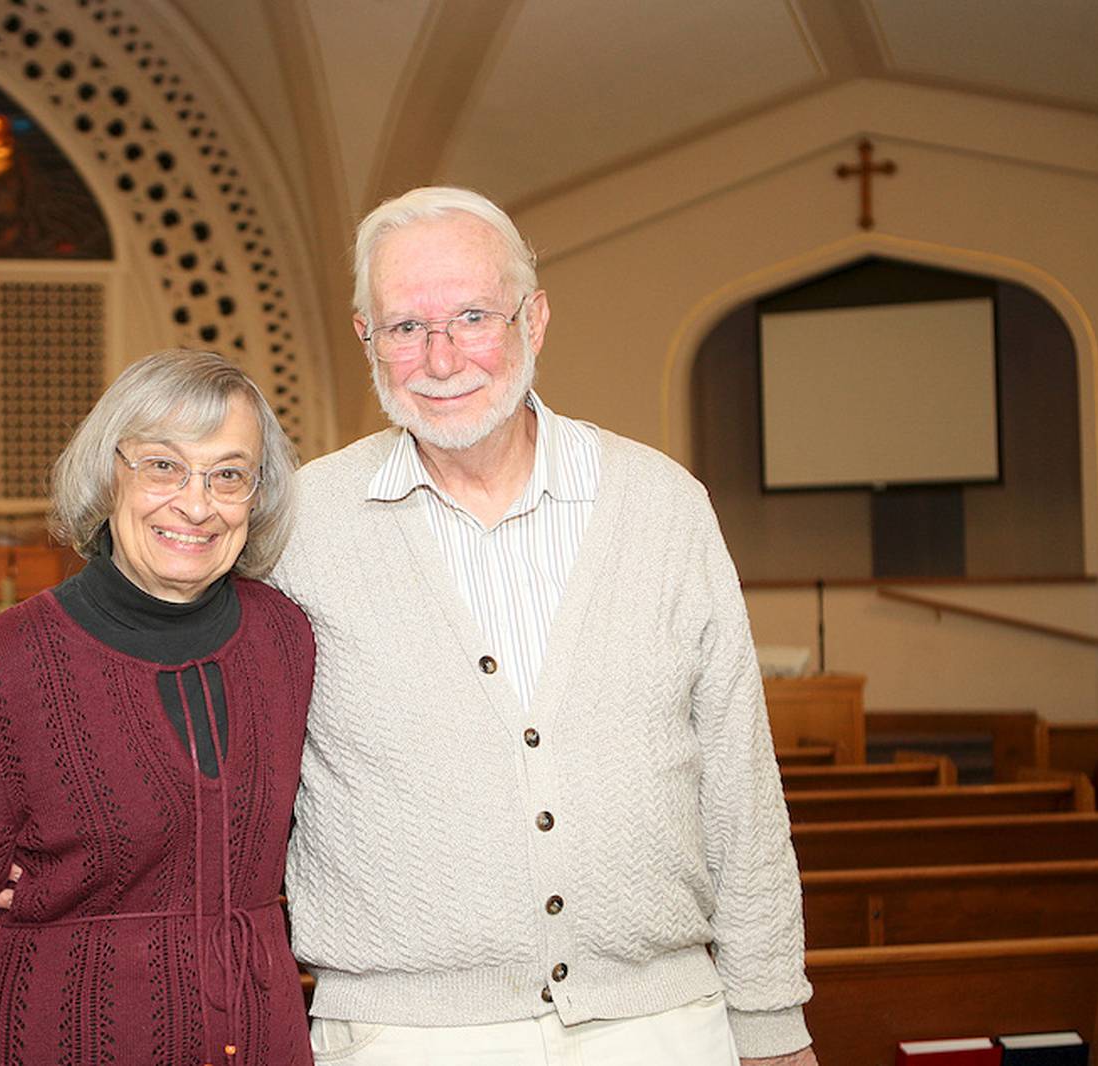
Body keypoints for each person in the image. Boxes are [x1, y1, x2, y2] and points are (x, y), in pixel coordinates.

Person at [270, 187, 818, 1065]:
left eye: (472, 316)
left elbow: (740, 785)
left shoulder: (661, 506)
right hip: (402, 1036)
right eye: (404, 326)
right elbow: (206, 750)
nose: (440, 357)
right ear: (368, 339)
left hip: (664, 1023)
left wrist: (771, 1021)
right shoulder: (299, 526)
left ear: (536, 318)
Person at [0, 349, 316, 1066]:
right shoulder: (15, 657)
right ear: (109, 473)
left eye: (228, 473)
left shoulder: (286, 639)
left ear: (256, 494)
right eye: (163, 466)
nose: (197, 504)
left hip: (262, 1042)